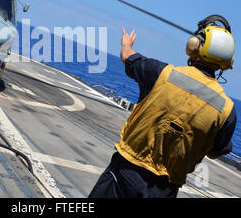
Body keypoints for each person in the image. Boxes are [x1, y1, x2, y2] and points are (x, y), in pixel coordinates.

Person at [88, 15, 237, 198]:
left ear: (194, 46)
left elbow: (127, 57)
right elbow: (215, 153)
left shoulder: (162, 74)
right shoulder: (227, 110)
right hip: (164, 189)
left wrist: (126, 44)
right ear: (226, 63)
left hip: (125, 171)